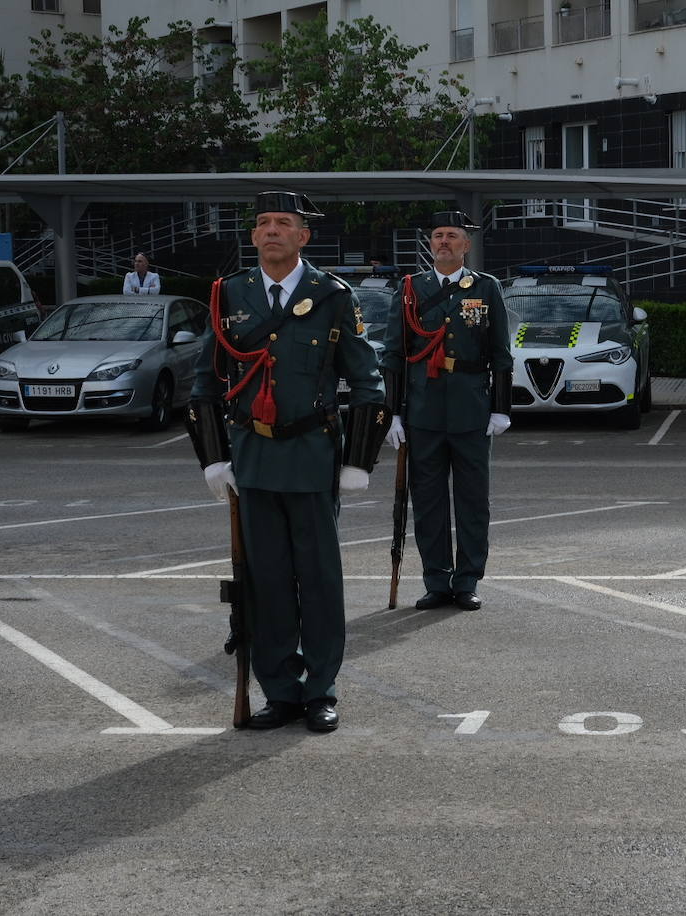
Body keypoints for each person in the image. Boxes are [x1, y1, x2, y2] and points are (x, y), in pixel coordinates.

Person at [184, 190, 388, 732]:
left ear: (304, 235)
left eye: (284, 223)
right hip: (252, 458)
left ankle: (320, 689)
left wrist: (359, 461)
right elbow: (204, 382)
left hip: (313, 457)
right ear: (253, 236)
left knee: (318, 581)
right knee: (267, 582)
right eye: (263, 223)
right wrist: (213, 459)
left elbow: (368, 382)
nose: (272, 231)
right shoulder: (229, 295)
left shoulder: (333, 295)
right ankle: (279, 690)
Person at [380, 210, 513, 612]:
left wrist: (499, 409)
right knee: (429, 502)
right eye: (437, 235)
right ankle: (436, 580)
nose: (443, 242)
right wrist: (393, 414)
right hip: (423, 411)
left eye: (452, 236)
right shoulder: (409, 289)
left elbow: (501, 354)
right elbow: (394, 355)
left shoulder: (485, 288)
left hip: (471, 410)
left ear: (466, 244)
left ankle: (468, 579)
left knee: (473, 501)